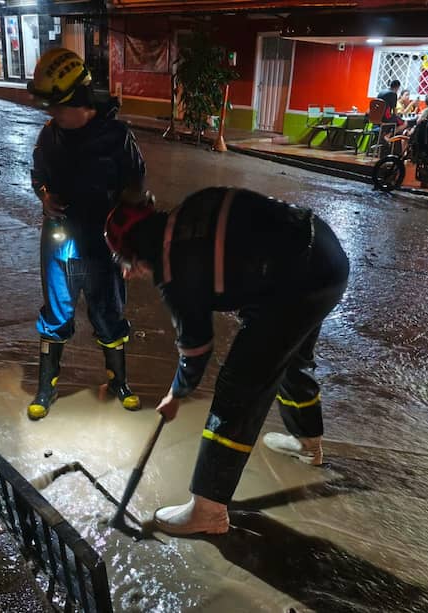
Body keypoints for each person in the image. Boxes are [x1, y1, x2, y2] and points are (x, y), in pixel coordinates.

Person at [104, 187, 349, 536]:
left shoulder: (175, 270)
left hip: (295, 280)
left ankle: (208, 508)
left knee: (240, 385)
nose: (130, 273)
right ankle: (308, 444)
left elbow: (196, 349)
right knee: (288, 353)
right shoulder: (190, 208)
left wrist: (176, 395)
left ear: (135, 252)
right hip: (325, 256)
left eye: (127, 263)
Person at [25, 48, 146, 420]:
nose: (53, 115)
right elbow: (38, 176)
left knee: (109, 314)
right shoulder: (51, 136)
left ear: (81, 101)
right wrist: (44, 197)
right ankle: (47, 387)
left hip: (103, 247)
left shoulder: (117, 138)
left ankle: (119, 381)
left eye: (59, 107)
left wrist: (131, 250)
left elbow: (136, 195)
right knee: (56, 313)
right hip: (59, 244)